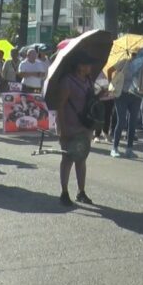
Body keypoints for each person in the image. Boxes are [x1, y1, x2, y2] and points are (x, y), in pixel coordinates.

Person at [55, 53, 97, 205]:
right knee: (67, 159)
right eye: (86, 64)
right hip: (69, 125)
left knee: (81, 158)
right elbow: (60, 106)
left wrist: (100, 95)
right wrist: (63, 129)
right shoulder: (67, 81)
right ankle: (64, 192)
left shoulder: (88, 81)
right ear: (79, 65)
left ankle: (81, 191)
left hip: (85, 126)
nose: (89, 67)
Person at [109, 57, 139, 159]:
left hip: (136, 96)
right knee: (121, 121)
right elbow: (110, 70)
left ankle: (129, 149)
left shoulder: (142, 64)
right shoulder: (124, 62)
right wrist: (111, 84)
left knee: (133, 122)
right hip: (121, 94)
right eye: (135, 53)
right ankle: (114, 148)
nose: (136, 54)